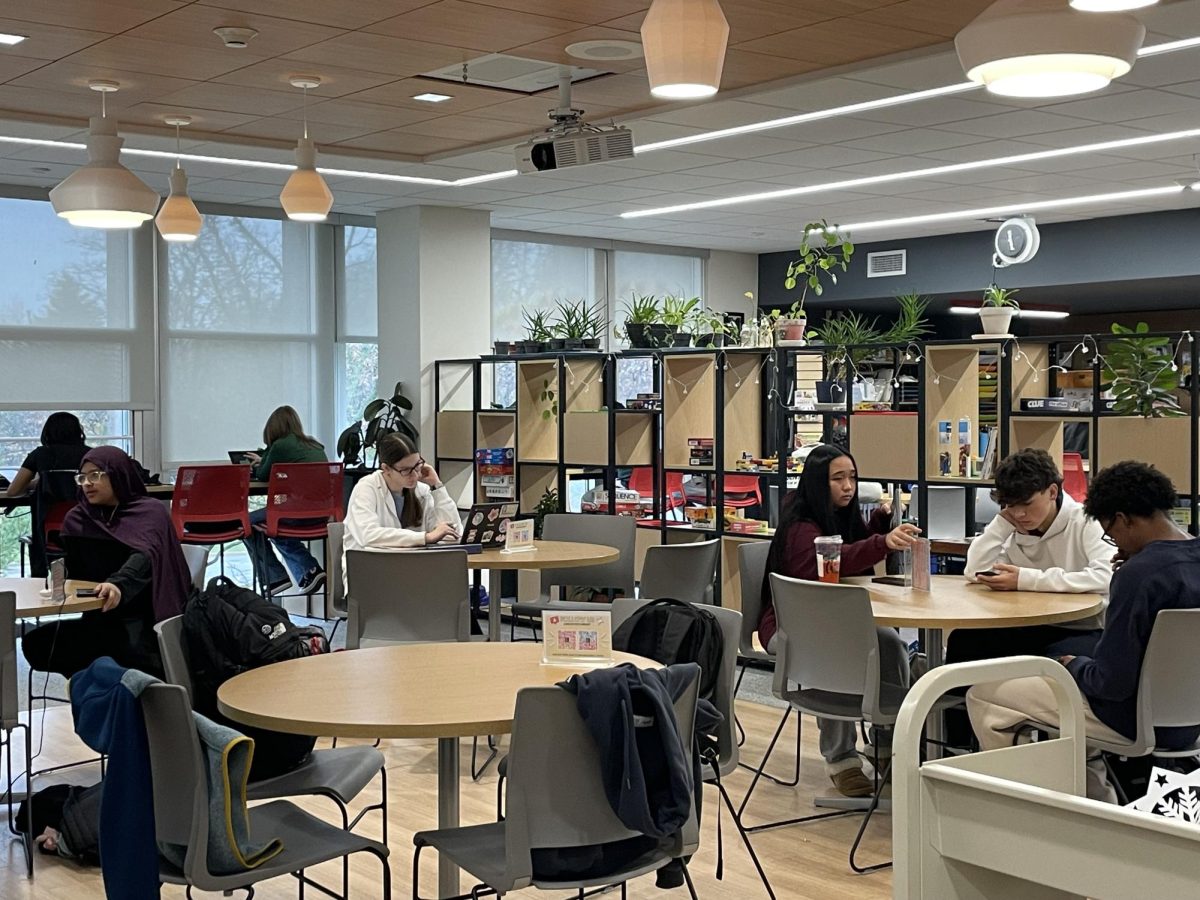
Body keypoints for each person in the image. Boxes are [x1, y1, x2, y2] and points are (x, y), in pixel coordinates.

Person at [967, 461, 1200, 802]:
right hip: (1190, 720)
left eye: (1111, 532)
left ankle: (1023, 810)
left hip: (1130, 718)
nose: (1113, 542)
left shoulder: (1138, 576)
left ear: (1122, 520)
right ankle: (1093, 805)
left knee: (985, 693)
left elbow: (1112, 683)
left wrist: (1071, 664)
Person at [758, 443, 922, 797]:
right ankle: (841, 758)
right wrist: (882, 543)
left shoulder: (840, 515)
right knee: (842, 652)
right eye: (838, 479)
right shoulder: (800, 525)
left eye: (851, 477)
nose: (848, 486)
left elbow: (857, 550)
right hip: (791, 627)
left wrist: (880, 523)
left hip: (834, 620)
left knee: (891, 643)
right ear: (819, 482)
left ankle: (884, 744)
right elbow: (828, 563)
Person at [21, 446, 192, 679]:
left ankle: (105, 689)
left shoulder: (150, 512)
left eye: (96, 475)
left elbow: (144, 556)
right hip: (97, 615)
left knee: (125, 651)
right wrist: (56, 581)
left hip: (144, 616)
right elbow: (68, 564)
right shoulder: (78, 518)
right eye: (82, 477)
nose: (87, 483)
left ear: (118, 474)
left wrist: (117, 585)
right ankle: (95, 691)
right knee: (35, 644)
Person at [950, 448, 1112, 665]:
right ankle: (957, 699)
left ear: (1052, 492)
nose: (1018, 514)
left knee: (1053, 663)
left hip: (1081, 627)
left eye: (1026, 504)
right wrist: (1000, 525)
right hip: (1024, 623)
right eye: (1010, 505)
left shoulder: (1084, 521)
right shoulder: (1011, 525)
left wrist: (1026, 579)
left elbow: (1107, 576)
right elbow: (974, 571)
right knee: (964, 641)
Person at [342, 433, 460, 591]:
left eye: (417, 466)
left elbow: (454, 536)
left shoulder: (422, 491)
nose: (414, 475)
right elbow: (368, 535)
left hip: (409, 576)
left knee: (450, 592)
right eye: (405, 470)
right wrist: (424, 537)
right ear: (386, 469)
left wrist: (437, 486)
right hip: (371, 576)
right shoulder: (367, 488)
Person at [242, 406, 329, 597]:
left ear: (273, 429)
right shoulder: (315, 445)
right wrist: (265, 457)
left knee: (247, 522)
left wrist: (261, 462)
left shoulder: (280, 445)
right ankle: (310, 571)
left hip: (295, 512)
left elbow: (264, 474)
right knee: (274, 524)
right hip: (322, 514)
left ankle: (275, 578)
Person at [5, 412, 91, 578]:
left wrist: (38, 483)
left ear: (47, 432)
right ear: (78, 432)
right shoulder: (91, 456)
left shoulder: (41, 454)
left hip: (50, 532)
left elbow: (13, 491)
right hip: (86, 530)